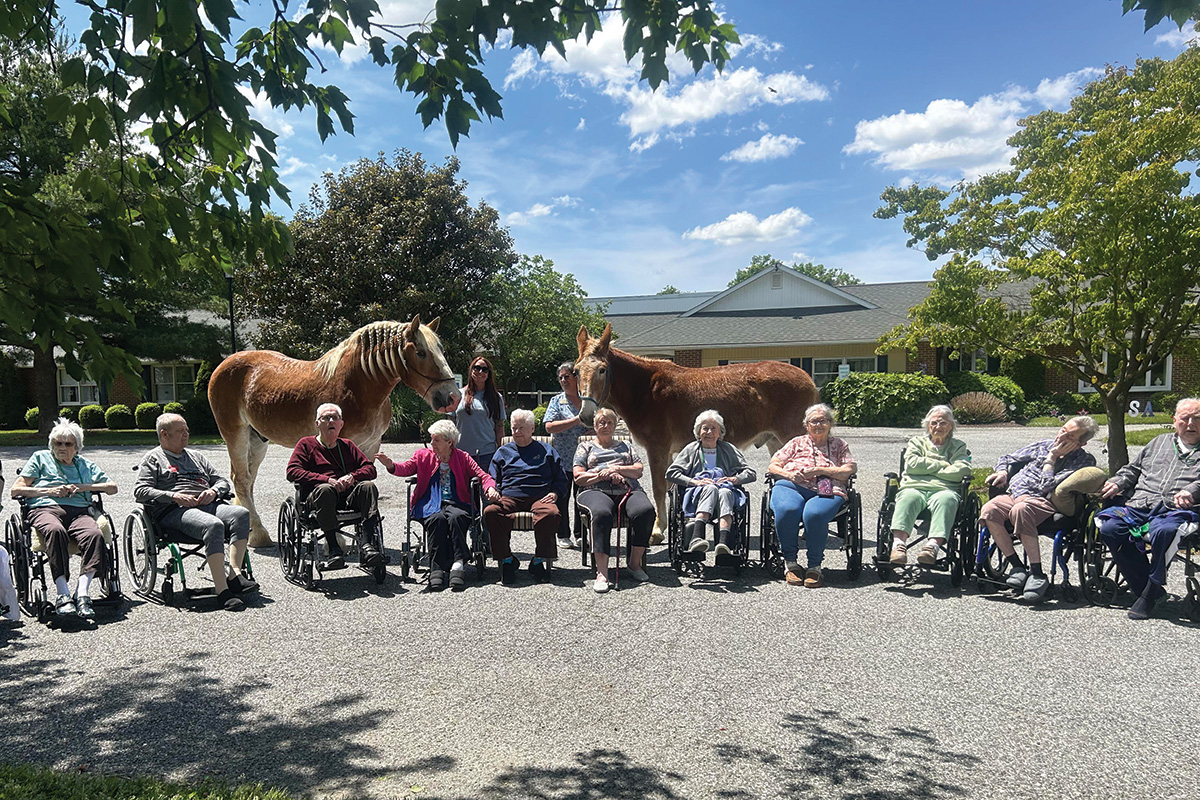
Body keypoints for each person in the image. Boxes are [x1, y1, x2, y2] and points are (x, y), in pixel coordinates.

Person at [134, 413, 257, 612]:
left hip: (207, 503)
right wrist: (173, 496)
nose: (186, 435)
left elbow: (221, 481)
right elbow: (140, 491)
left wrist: (213, 491)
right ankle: (223, 592)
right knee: (213, 524)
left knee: (241, 514)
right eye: (181, 431)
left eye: (187, 431)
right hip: (176, 511)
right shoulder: (153, 459)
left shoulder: (196, 457)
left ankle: (234, 574)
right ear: (164, 434)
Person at [1097, 397, 1200, 620]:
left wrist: (1191, 490)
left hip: (1176, 510)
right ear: (1175, 421)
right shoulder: (1159, 442)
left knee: (1164, 531)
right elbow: (1132, 470)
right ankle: (1147, 588)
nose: (1190, 424)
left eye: (1197, 419)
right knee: (1110, 528)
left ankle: (1148, 593)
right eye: (1185, 418)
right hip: (1140, 505)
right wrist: (1118, 482)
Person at [980, 415, 1100, 602]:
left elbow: (1047, 487)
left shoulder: (1083, 461)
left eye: (1070, 437)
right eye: (1063, 430)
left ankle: (1037, 574)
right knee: (990, 509)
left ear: (1081, 443)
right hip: (1014, 494)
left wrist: (1051, 458)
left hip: (1043, 502)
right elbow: (1008, 457)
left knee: (1021, 509)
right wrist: (1002, 471)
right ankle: (1017, 567)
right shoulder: (1042, 445)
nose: (1061, 437)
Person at [10, 418, 118, 619]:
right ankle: (63, 594)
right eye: (58, 443)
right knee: (55, 531)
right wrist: (49, 490)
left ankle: (82, 593)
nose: (62, 447)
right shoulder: (40, 458)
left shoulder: (85, 465)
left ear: (77, 447)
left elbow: (112, 488)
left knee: (94, 534)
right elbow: (16, 490)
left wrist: (84, 487)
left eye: (68, 444)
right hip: (45, 508)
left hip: (79, 510)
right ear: (52, 444)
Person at [376, 420, 495, 592]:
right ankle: (437, 567)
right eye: (431, 439)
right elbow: (405, 469)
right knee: (437, 519)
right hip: (429, 503)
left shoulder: (463, 457)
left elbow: (482, 476)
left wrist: (489, 487)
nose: (432, 444)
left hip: (458, 502)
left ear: (449, 442)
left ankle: (458, 564)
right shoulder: (423, 455)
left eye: (436, 440)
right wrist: (390, 465)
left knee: (456, 518)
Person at [765, 404, 857, 588]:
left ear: (830, 424)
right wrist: (789, 475)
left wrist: (820, 470)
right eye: (813, 421)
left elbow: (849, 469)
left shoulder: (839, 445)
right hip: (791, 484)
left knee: (813, 514)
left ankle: (815, 567)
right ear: (806, 425)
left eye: (823, 420)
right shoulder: (796, 443)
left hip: (827, 487)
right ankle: (790, 563)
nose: (818, 424)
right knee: (787, 509)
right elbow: (773, 465)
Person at [286, 403, 383, 572]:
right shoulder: (306, 445)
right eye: (326, 418)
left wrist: (352, 477)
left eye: (335, 418)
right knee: (325, 489)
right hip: (318, 499)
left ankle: (367, 546)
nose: (331, 421)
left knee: (368, 486)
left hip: (347, 497)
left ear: (341, 424)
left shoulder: (347, 445)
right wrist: (326, 479)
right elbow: (292, 471)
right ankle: (334, 548)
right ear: (317, 424)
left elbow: (370, 469)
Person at [573, 408, 655, 593]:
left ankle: (634, 564)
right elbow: (578, 477)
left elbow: (638, 470)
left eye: (610, 422)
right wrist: (601, 475)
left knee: (645, 510)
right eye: (601, 422)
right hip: (594, 490)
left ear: (615, 425)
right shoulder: (585, 447)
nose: (605, 426)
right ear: (594, 426)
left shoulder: (626, 445)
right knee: (601, 513)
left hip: (627, 488)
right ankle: (602, 572)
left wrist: (616, 470)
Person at [483, 408, 569, 585]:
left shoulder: (547, 451)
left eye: (521, 428)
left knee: (551, 514)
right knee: (491, 512)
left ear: (532, 429)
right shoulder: (502, 452)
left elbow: (561, 478)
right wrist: (492, 490)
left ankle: (538, 560)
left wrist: (554, 493)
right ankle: (507, 560)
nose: (516, 432)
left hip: (540, 496)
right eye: (514, 428)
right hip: (509, 496)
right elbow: (491, 477)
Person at [888, 405, 972, 566]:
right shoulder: (917, 442)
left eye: (943, 423)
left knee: (947, 500)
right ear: (927, 425)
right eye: (934, 423)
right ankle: (898, 546)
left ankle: (931, 547)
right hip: (914, 487)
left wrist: (926, 469)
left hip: (944, 489)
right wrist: (943, 464)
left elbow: (962, 470)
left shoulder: (958, 446)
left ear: (952, 426)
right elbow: (912, 465)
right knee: (908, 498)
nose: (938, 427)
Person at [665, 409, 756, 557]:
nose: (709, 432)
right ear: (698, 431)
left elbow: (751, 473)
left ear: (720, 433)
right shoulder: (691, 450)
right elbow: (671, 473)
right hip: (698, 494)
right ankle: (696, 539)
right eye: (705, 428)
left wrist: (735, 479)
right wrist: (693, 482)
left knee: (725, 492)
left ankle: (723, 544)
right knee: (710, 488)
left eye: (714, 428)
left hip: (724, 493)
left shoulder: (728, 449)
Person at [544, 361, 591, 550]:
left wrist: (595, 431)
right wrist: (575, 421)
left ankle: (581, 534)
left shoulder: (589, 400)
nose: (563, 380)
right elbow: (549, 426)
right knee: (562, 497)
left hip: (586, 461)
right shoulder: (557, 401)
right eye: (561, 377)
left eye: (567, 376)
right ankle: (563, 534)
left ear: (577, 378)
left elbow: (605, 421)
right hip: (563, 459)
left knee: (583, 497)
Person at [454, 356, 506, 473]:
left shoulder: (496, 398)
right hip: (461, 453)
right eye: (477, 368)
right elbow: (450, 424)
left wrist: (502, 451)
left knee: (486, 489)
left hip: (486, 454)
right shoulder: (458, 395)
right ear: (471, 370)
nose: (480, 372)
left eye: (485, 369)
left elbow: (499, 427)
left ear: (489, 374)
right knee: (462, 490)